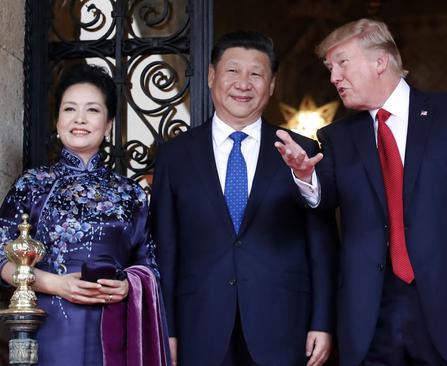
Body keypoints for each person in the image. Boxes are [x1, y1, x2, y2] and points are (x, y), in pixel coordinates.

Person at [275, 19, 447, 366]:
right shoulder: (336, 138)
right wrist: (304, 176)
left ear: (380, 62)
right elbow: (323, 205)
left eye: (342, 63)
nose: (334, 77)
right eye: (330, 68)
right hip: (370, 318)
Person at [150, 30, 336, 366]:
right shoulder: (174, 157)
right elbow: (166, 247)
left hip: (283, 323)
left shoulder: (301, 151)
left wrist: (322, 322)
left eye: (256, 74)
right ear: (211, 77)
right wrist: (167, 329)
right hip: (199, 324)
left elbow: (320, 243)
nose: (243, 83)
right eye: (233, 71)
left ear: (272, 84)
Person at [0, 64, 169, 365]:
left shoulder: (130, 192)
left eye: (92, 110)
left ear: (108, 125)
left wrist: (129, 285)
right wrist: (55, 284)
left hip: (114, 327)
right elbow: (1, 255)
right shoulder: (33, 183)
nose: (79, 119)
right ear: (57, 120)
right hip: (47, 328)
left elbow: (150, 266)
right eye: (69, 109)